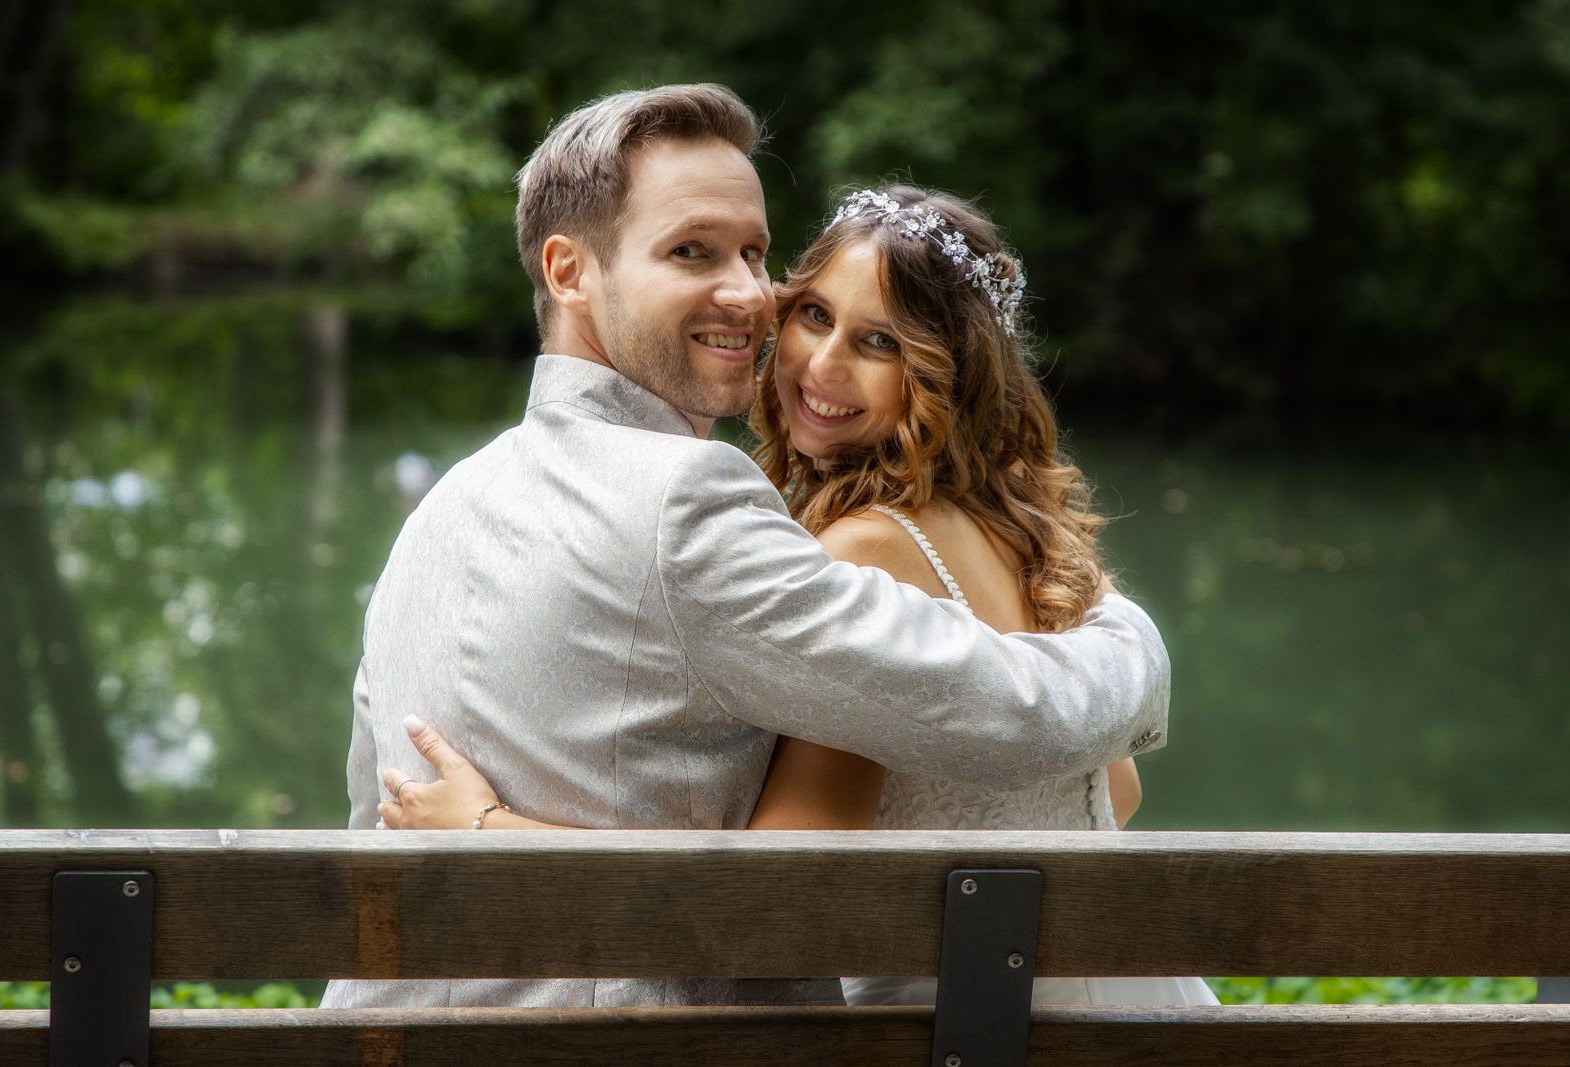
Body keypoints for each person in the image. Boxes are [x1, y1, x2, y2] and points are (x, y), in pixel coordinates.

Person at [320, 84, 1170, 1012]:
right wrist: (1127, 638)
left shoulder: (437, 511)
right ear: (569, 272)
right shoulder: (692, 498)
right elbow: (1021, 724)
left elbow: (376, 816)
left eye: (757, 254)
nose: (749, 293)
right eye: (692, 251)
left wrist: (491, 830)